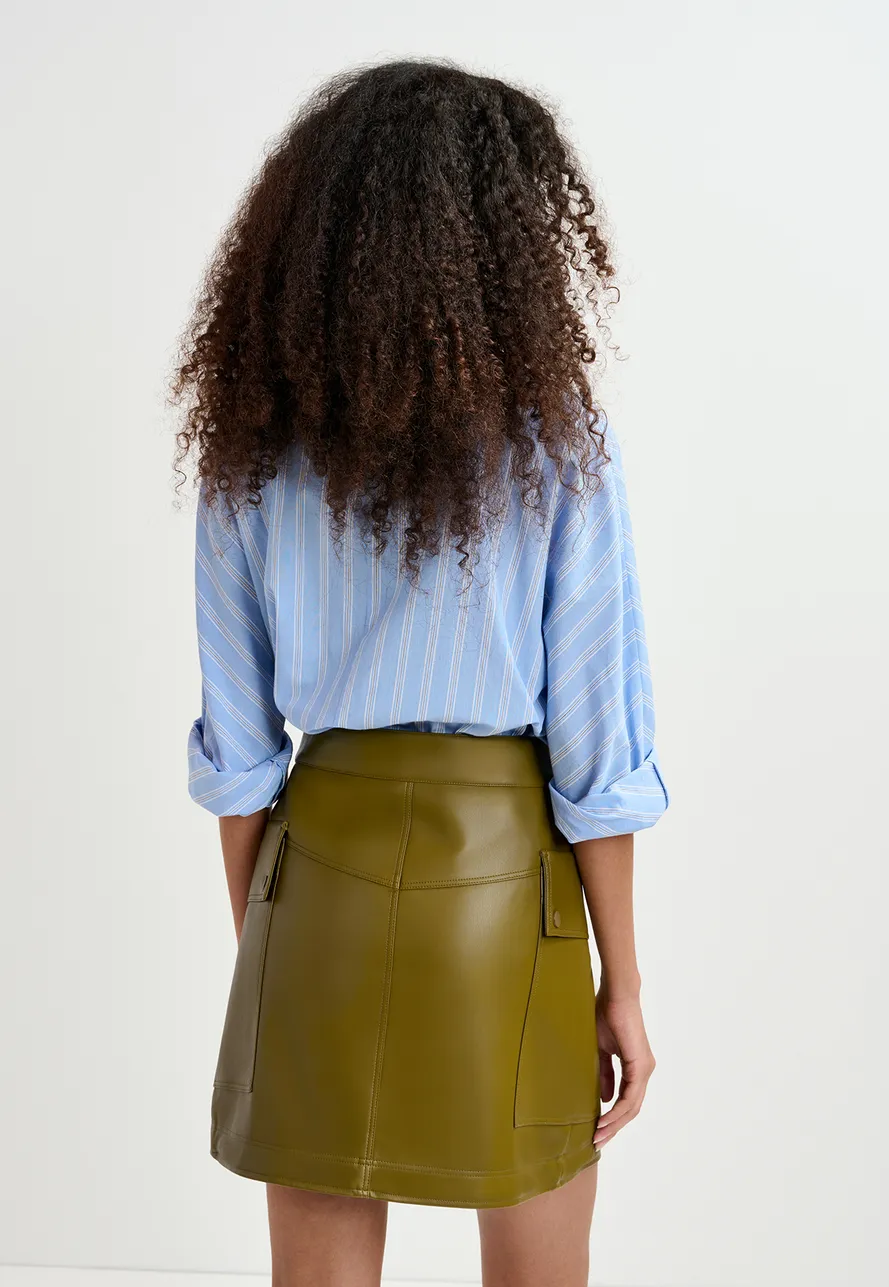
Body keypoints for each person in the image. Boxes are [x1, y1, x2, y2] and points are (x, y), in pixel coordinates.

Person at [174, 57, 668, 1287]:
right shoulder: (562, 446)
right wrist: (623, 981)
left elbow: (239, 764)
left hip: (316, 891)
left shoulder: (248, 452)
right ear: (501, 244)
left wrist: (273, 957)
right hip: (511, 898)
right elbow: (599, 752)